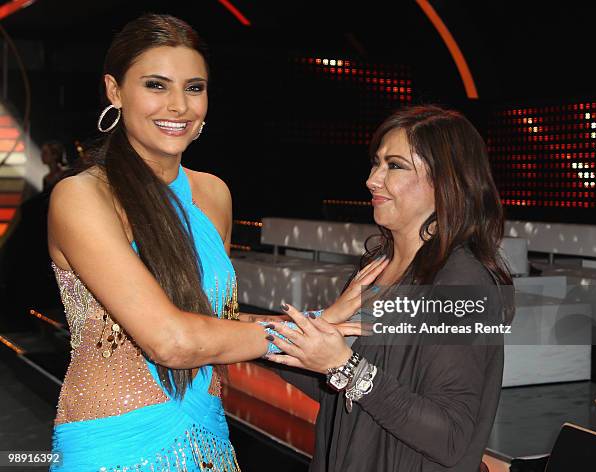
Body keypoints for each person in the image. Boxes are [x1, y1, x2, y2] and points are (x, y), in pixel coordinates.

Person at [46, 14, 371, 471]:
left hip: (208, 439)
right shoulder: (81, 197)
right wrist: (292, 334)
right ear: (115, 91)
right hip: (114, 447)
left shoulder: (213, 194)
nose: (178, 105)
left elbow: (214, 324)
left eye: (194, 88)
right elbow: (173, 340)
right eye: (156, 86)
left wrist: (316, 323)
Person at [265, 105, 514, 471]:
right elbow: (344, 392)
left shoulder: (462, 283)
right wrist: (251, 342)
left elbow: (451, 437)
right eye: (376, 163)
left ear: (446, 182)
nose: (372, 180)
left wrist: (345, 366)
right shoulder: (377, 267)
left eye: (394, 165)